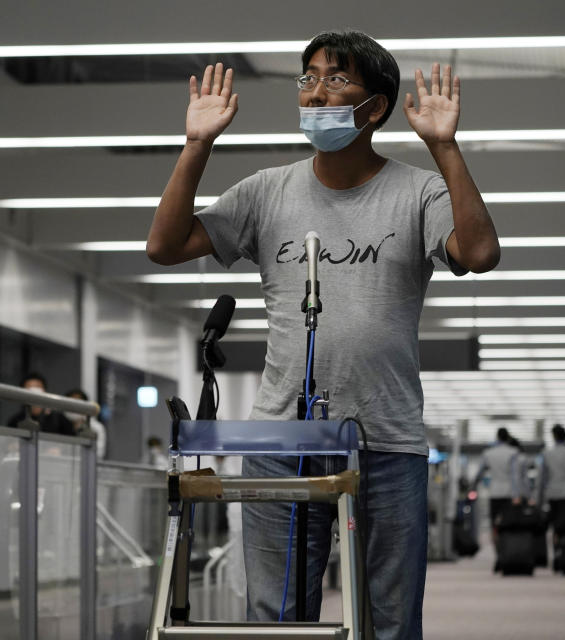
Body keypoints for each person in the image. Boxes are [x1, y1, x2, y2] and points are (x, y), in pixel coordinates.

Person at [146, 30, 499, 639]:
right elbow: (164, 246)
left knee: (389, 620)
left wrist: (445, 147)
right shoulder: (265, 192)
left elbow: (480, 251)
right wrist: (196, 145)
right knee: (278, 621)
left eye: (336, 79)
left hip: (388, 439)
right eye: (307, 78)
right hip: (284, 438)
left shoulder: (418, 192)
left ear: (376, 106)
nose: (315, 93)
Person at [473, 428, 520, 553]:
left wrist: (473, 487)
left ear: (497, 437)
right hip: (509, 494)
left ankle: (497, 554)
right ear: (508, 438)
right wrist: (516, 495)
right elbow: (515, 476)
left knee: (494, 526)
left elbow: (479, 474)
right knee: (508, 525)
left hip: (494, 493)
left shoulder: (488, 453)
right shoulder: (513, 452)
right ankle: (506, 553)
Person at [6, 372, 75, 436]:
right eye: (29, 389)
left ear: (44, 391)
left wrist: (59, 448)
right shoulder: (15, 421)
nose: (34, 392)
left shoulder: (59, 420)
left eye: (37, 388)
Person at [539, 424, 565, 525]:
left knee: (554, 520)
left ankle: (555, 538)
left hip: (552, 492)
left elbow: (543, 478)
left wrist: (540, 496)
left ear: (554, 436)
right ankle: (562, 538)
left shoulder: (546, 454)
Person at [64, 388, 107, 459]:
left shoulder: (95, 427)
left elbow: (98, 453)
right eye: (71, 403)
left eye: (78, 402)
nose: (74, 408)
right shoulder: (58, 423)